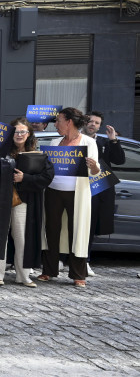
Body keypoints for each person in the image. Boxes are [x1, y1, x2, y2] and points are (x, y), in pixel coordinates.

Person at [0, 117, 54, 286]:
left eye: (22, 131)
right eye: (16, 132)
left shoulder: (37, 154)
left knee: (23, 238)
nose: (19, 135)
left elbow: (47, 177)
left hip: (24, 200)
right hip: (1, 199)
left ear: (29, 134)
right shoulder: (0, 151)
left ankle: (24, 276)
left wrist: (24, 178)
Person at [39, 107, 101, 287]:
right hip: (53, 191)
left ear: (69, 122)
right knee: (51, 229)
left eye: (58, 121)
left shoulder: (89, 142)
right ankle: (48, 270)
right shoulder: (54, 142)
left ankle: (78, 274)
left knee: (77, 230)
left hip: (77, 193)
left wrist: (94, 167)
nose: (56, 124)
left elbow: (95, 173)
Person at [83, 111, 125, 275]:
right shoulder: (74, 140)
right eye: (90, 121)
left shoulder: (104, 142)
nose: (93, 124)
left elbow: (120, 160)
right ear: (84, 122)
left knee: (91, 225)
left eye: (97, 123)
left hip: (97, 189)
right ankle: (61, 259)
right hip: (75, 187)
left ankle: (84, 260)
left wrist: (113, 140)